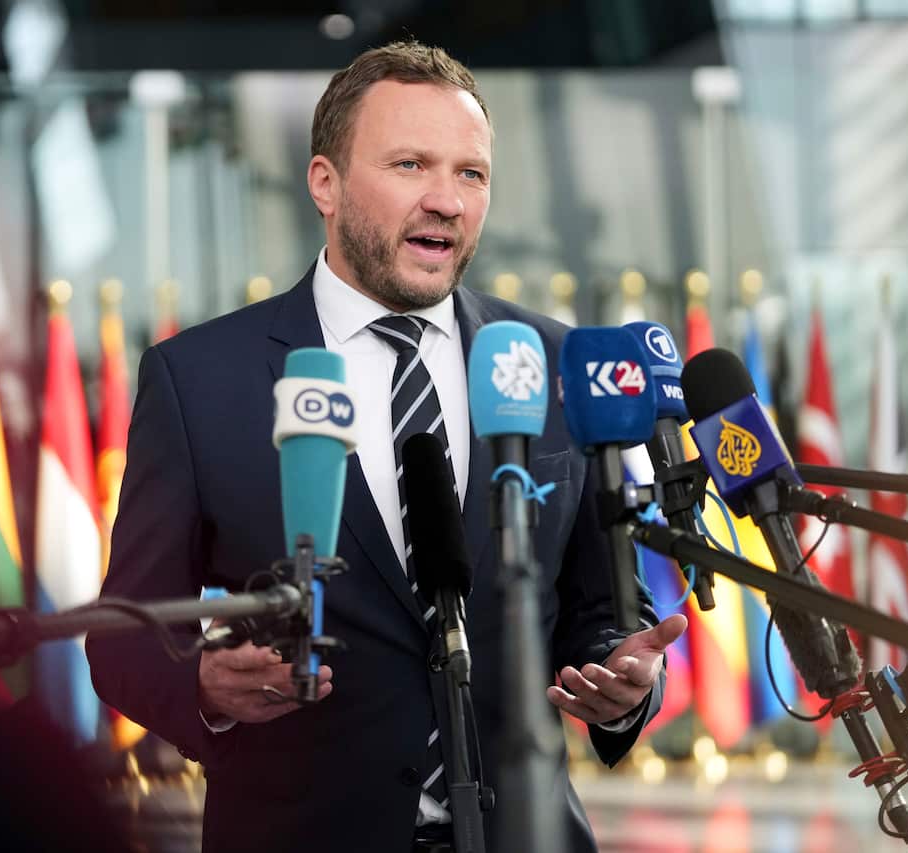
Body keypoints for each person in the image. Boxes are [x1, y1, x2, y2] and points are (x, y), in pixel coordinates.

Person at [87, 40, 686, 853]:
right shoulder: (198, 380)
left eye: (470, 173)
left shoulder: (549, 364)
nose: (446, 199)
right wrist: (205, 687)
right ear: (324, 184)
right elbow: (123, 638)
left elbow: (601, 611)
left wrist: (622, 682)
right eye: (410, 165)